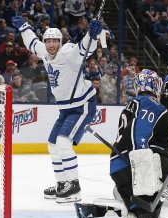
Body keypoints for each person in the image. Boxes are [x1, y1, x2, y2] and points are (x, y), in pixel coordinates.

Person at [76, 69, 168, 218]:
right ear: (156, 86)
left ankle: (119, 211)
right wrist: (141, 165)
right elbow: (140, 135)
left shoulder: (133, 105)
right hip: (138, 162)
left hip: (118, 168)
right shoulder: (151, 105)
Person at [11, 15, 103, 203]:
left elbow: (85, 48)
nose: (51, 45)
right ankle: (62, 184)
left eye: (55, 41)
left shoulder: (69, 53)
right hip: (66, 109)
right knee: (53, 144)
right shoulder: (44, 52)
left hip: (82, 106)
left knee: (63, 141)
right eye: (48, 41)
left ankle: (73, 186)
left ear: (60, 43)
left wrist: (93, 35)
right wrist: (24, 27)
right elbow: (32, 43)